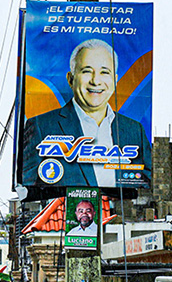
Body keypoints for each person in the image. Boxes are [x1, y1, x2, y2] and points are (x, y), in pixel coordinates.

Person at [22, 38, 151, 188]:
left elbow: (148, 183)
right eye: (87, 71)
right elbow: (27, 185)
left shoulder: (135, 130)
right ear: (70, 79)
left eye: (104, 72)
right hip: (64, 211)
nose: (96, 81)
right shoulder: (41, 126)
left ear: (115, 81)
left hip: (121, 212)